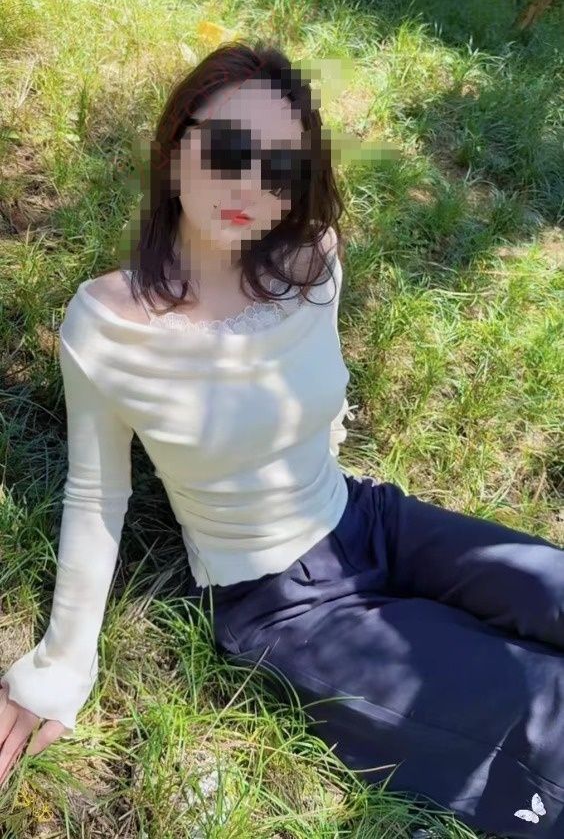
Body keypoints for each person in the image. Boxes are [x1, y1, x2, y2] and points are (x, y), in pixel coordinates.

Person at [1, 41, 563, 839]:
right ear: (175, 146)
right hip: (285, 605)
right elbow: (97, 495)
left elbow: (315, 388)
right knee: (542, 710)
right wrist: (60, 668)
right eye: (230, 149)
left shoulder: (312, 265)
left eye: (282, 170)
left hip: (369, 518)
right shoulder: (106, 325)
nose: (250, 187)